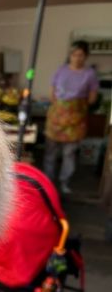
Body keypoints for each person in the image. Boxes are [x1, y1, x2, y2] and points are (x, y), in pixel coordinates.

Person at [43, 40, 99, 195]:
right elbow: (52, 93)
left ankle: (64, 183)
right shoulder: (60, 70)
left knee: (69, 153)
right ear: (70, 55)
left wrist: (76, 105)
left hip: (76, 120)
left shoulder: (90, 74)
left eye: (81, 55)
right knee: (50, 152)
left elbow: (92, 99)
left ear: (86, 56)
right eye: (74, 55)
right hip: (56, 117)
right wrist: (60, 107)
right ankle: (48, 183)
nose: (77, 58)